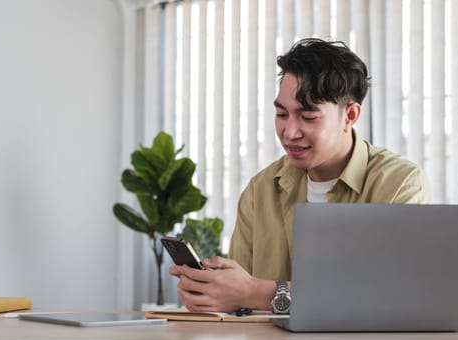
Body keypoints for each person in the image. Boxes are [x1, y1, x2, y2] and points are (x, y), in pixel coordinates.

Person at [169, 38, 430, 313]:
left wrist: (260, 293)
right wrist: (213, 293)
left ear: (350, 115)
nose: (290, 132)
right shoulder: (261, 190)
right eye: (282, 114)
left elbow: (389, 295)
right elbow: (239, 303)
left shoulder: (400, 184)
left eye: (307, 117)